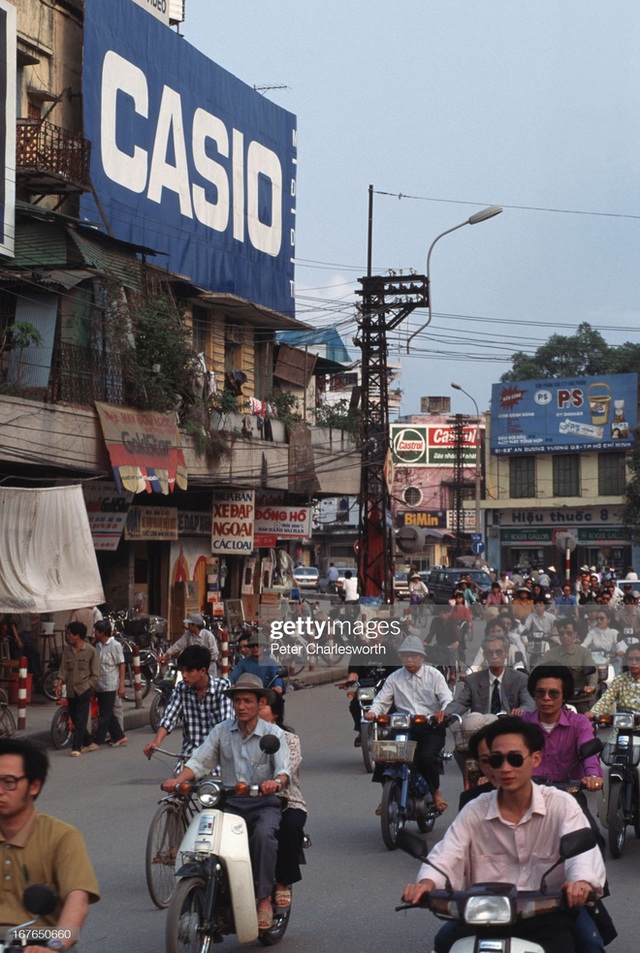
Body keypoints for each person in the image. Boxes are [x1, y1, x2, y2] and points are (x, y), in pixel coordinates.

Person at [402, 716, 606, 953]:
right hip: (484, 914)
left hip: (548, 913)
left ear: (536, 758)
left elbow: (582, 856)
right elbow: (447, 855)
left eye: (515, 759)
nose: (505, 768)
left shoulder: (562, 806)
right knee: (444, 944)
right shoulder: (474, 810)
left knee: (590, 945)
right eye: (496, 760)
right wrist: (426, 884)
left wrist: (580, 883)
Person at [161, 673, 291, 931]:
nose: (241, 706)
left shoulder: (273, 734)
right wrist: (179, 780)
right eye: (237, 701)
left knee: (264, 836)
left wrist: (274, 782)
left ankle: (264, 899)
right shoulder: (222, 731)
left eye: (247, 701)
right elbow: (200, 761)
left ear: (260, 703)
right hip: (229, 805)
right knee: (204, 841)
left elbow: (284, 770)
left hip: (263, 804)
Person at [0, 737, 100, 951]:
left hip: (37, 943)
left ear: (34, 786)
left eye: (8, 783)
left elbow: (78, 902)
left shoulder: (62, 837)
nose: (0, 790)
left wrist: (55, 945)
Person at [365, 635, 452, 813]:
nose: (409, 659)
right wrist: (373, 712)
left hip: (431, 727)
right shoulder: (394, 678)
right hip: (403, 726)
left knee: (426, 758)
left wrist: (443, 711)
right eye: (405, 656)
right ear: (400, 658)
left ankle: (436, 793)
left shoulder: (434, 675)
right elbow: (382, 701)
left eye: (414, 656)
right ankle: (387, 796)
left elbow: (447, 699)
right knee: (383, 754)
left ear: (422, 657)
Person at [259, 696, 306, 910]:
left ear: (275, 713)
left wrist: (275, 782)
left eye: (262, 705)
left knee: (288, 827)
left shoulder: (289, 739)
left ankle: (281, 882)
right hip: (243, 799)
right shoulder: (235, 734)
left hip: (286, 799)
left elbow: (288, 768)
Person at [521, 666, 602, 789]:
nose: (546, 698)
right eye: (540, 692)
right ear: (534, 694)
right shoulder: (520, 724)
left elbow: (589, 753)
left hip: (569, 795)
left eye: (553, 693)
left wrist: (593, 776)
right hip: (526, 795)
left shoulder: (579, 723)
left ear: (564, 696)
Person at [144, 645, 232, 758]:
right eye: (182, 670)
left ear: (203, 671)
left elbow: (227, 724)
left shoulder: (223, 688)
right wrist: (156, 742)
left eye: (189, 671)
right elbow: (169, 718)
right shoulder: (182, 688)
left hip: (217, 755)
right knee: (176, 775)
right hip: (189, 755)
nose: (184, 675)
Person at [446, 631, 534, 720]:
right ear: (485, 655)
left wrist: (521, 710)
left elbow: (529, 704)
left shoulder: (520, 679)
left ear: (506, 653)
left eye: (499, 652)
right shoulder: (472, 680)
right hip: (481, 728)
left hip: (510, 727)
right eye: (490, 652)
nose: (494, 656)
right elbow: (460, 703)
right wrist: (445, 714)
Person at [55, 622, 100, 758]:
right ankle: (88, 741)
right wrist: (58, 684)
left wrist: (88, 686)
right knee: (74, 717)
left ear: (77, 636)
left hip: (83, 690)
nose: (67, 636)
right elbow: (63, 671)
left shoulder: (90, 651)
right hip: (71, 690)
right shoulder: (67, 651)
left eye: (70, 634)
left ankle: (76, 747)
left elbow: (96, 673)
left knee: (81, 719)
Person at [538, 618, 598, 712]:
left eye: (569, 633)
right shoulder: (550, 654)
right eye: (561, 633)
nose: (565, 636)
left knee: (587, 722)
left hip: (580, 699)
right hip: (556, 699)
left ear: (575, 634)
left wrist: (592, 686)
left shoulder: (584, 653)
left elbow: (592, 672)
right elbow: (537, 670)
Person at [92, 619, 127, 748]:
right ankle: (120, 736)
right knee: (107, 713)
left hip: (111, 684)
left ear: (102, 632)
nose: (94, 633)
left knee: (105, 715)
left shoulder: (115, 645)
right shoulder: (98, 646)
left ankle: (98, 741)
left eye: (96, 631)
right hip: (100, 684)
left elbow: (121, 665)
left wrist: (121, 684)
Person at [587, 644, 640, 719]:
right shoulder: (619, 680)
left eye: (638, 659)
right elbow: (606, 699)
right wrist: (592, 712)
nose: (634, 662)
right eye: (630, 659)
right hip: (623, 725)